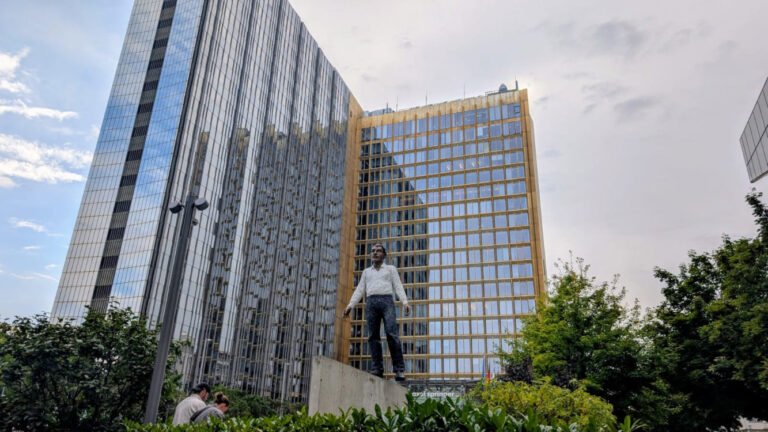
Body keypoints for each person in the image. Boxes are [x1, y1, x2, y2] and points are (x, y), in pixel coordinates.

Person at [344, 243, 410, 381]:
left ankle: (399, 369)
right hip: (371, 302)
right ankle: (377, 368)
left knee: (392, 334)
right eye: (373, 251)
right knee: (373, 336)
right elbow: (360, 289)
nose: (374, 253)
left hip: (387, 302)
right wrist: (350, 305)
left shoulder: (391, 269)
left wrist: (405, 302)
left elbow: (398, 286)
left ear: (384, 255)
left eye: (378, 251)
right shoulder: (366, 272)